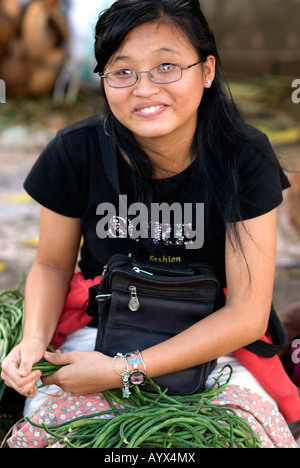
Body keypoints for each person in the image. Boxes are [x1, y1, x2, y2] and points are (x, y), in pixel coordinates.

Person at [1, 0, 299, 448]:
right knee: (65, 437)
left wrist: (126, 370)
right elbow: (50, 265)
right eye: (122, 72)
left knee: (230, 438)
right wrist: (33, 343)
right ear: (103, 79)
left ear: (207, 70)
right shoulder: (75, 151)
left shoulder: (245, 158)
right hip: (99, 331)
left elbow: (246, 312)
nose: (144, 88)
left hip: (212, 342)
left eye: (166, 67)